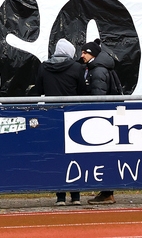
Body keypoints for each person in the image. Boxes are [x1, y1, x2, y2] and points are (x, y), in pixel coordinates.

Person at [35, 39, 87, 206]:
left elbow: (38, 91)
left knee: (57, 155)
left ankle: (60, 197)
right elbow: (83, 92)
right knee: (75, 154)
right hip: (73, 116)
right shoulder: (77, 68)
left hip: (52, 116)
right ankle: (76, 195)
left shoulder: (44, 66)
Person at [81, 39, 117, 205]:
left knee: (103, 155)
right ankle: (106, 191)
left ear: (93, 54)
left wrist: (95, 118)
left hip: (101, 119)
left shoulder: (98, 71)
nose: (82, 55)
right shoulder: (99, 68)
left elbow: (98, 97)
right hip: (106, 118)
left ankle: (107, 192)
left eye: (85, 52)